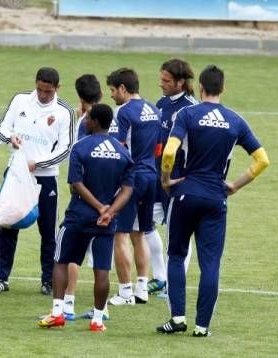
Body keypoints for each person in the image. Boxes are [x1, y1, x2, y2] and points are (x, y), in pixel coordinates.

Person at [157, 65, 269, 337]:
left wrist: (165, 179)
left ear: (202, 88)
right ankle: (202, 325)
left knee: (176, 255)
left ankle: (178, 318)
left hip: (185, 193)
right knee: (210, 263)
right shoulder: (235, 120)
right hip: (215, 198)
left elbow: (170, 151)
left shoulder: (187, 114)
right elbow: (262, 160)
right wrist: (234, 186)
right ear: (223, 89)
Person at [38, 104, 133, 331]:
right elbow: (127, 190)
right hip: (107, 221)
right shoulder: (123, 152)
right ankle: (98, 320)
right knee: (101, 269)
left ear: (96, 122)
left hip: (78, 216)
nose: (85, 120)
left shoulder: (81, 147)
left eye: (88, 117)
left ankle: (58, 313)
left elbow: (76, 184)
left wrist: (99, 207)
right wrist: (109, 211)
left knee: (61, 261)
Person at [0, 67, 75, 294]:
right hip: (17, 175)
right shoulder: (20, 100)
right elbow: (2, 129)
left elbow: (66, 149)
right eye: (39, 89)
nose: (42, 95)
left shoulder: (64, 111)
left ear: (57, 88)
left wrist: (38, 164)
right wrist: (11, 137)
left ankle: (48, 280)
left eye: (47, 91)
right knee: (9, 224)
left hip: (45, 179)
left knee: (48, 231)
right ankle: (1, 277)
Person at [106, 68, 160, 306]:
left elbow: (117, 148)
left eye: (112, 90)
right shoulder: (154, 110)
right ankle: (142, 289)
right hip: (151, 176)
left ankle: (125, 292)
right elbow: (158, 148)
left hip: (132, 179)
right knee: (141, 234)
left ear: (123, 89)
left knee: (120, 234)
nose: (111, 95)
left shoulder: (123, 112)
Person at [147, 58, 197, 297]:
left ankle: (175, 283)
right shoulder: (161, 103)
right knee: (144, 223)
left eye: (166, 80)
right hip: (157, 174)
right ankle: (161, 277)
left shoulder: (191, 108)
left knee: (179, 233)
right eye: (161, 79)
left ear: (180, 82)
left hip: (178, 177)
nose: (161, 84)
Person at [63, 74, 108, 321]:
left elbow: (78, 159)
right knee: (101, 256)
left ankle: (68, 302)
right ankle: (102, 309)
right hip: (109, 199)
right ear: (101, 92)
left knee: (72, 251)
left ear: (80, 97)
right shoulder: (111, 119)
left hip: (85, 198)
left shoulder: (84, 124)